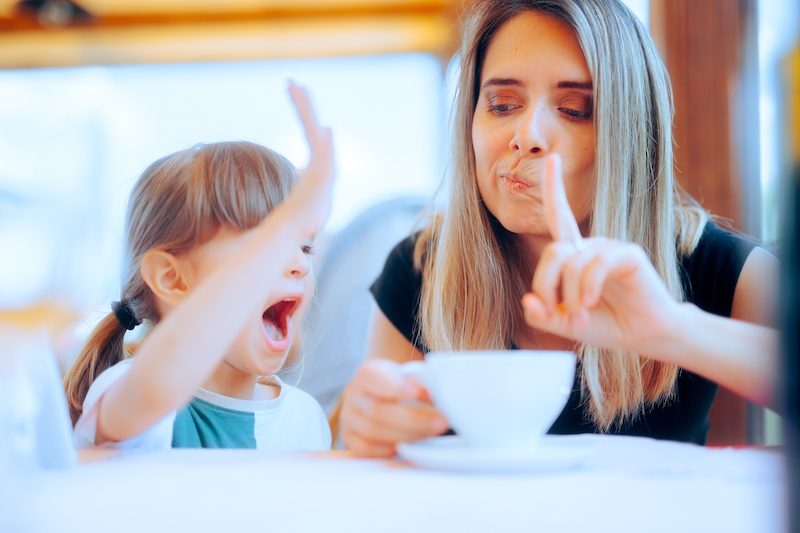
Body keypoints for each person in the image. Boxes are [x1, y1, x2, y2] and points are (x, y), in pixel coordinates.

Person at [338, 0, 780, 457]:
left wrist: (671, 330)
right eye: (502, 104)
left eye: (573, 109)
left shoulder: (717, 266)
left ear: (628, 134)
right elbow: (378, 464)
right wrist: (367, 426)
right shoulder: (420, 270)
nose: (527, 134)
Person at [63, 82, 336, 450]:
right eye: (262, 246)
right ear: (173, 279)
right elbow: (161, 384)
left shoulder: (305, 418)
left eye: (304, 245)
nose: (300, 263)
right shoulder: (126, 393)